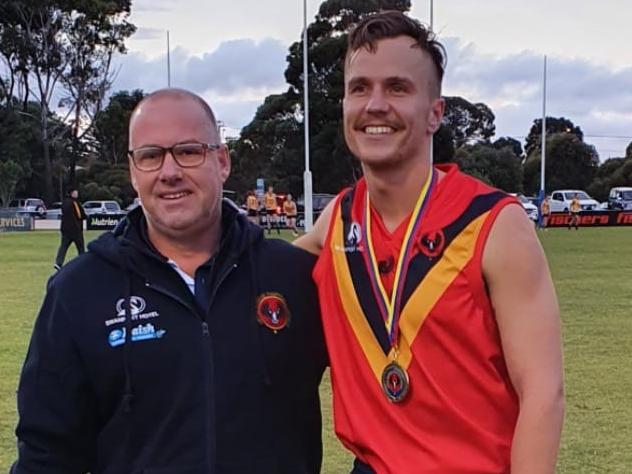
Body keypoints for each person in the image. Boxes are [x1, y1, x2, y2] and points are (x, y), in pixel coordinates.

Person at [296, 11, 564, 474]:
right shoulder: (336, 221)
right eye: (360, 88)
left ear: (435, 113)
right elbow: (244, 271)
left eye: (397, 88)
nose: (375, 104)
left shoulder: (494, 224)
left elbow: (543, 392)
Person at [12, 88, 326, 474]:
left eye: (189, 151)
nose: (170, 171)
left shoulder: (295, 277)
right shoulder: (79, 291)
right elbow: (46, 455)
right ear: (133, 170)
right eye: (150, 156)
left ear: (222, 161)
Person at [54, 188, 86, 271]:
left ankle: (58, 263)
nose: (77, 193)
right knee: (81, 248)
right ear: (72, 193)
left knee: (63, 247)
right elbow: (80, 215)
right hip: (75, 229)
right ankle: (83, 263)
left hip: (65, 229)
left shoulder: (64, 202)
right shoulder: (74, 203)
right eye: (75, 192)